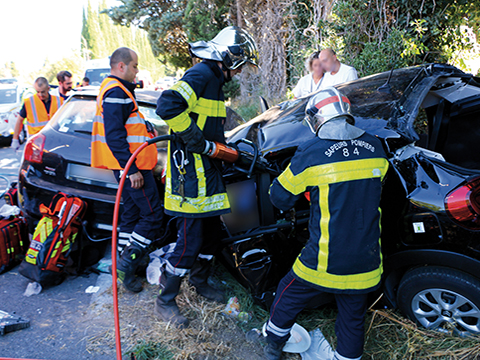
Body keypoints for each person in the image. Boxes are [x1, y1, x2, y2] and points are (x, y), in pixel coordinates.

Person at [263, 87, 389, 360]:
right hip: (366, 261)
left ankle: (273, 343)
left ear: (317, 118)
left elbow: (279, 198)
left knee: (289, 292)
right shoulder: (377, 146)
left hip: (324, 259)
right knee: (353, 317)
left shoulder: (311, 152)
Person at [155, 26, 259, 329]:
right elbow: (167, 104)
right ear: (228, 58)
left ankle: (200, 281)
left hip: (208, 172)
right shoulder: (202, 74)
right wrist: (196, 142)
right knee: (190, 242)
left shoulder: (213, 80)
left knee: (213, 235)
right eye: (238, 65)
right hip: (190, 175)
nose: (238, 72)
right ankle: (165, 300)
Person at [91, 47, 163, 293]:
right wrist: (130, 169)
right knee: (153, 216)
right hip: (134, 167)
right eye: (134, 65)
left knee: (131, 217)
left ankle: (124, 263)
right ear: (120, 66)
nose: (137, 70)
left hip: (131, 166)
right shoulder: (116, 91)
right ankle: (126, 264)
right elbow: (114, 136)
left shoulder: (117, 90)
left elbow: (125, 127)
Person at [11, 77, 63, 150]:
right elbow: (20, 120)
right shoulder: (29, 102)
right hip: (36, 144)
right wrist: (15, 139)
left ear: (48, 89)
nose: (40, 94)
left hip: (54, 142)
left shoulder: (59, 101)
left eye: (43, 92)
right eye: (38, 91)